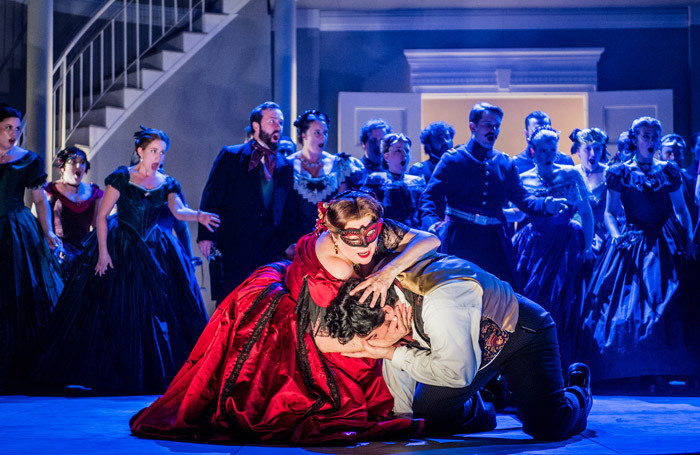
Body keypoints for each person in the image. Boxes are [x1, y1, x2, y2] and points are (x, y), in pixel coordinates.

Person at [130, 190, 440, 443]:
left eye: (371, 233)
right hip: (305, 324)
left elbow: (431, 239)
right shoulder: (337, 269)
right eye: (352, 238)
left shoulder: (362, 227)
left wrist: (387, 272)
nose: (365, 244)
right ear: (334, 235)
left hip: (288, 281)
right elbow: (323, 341)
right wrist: (384, 345)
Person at [326, 253, 592, 441]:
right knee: (427, 420)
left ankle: (579, 390)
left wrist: (391, 351)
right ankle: (491, 396)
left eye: (372, 337)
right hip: (469, 351)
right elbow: (403, 367)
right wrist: (403, 420)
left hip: (522, 334)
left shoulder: (442, 302)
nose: (372, 346)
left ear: (388, 311)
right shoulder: (381, 297)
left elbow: (457, 373)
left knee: (547, 427)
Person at [31, 126, 217, 394]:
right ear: (140, 152)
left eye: (162, 152)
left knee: (160, 307)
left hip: (155, 247)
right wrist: (104, 253)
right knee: (118, 306)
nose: (158, 157)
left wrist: (198, 215)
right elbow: (103, 216)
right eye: (153, 151)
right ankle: (116, 370)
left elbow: (178, 210)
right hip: (123, 246)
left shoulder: (167, 182)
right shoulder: (121, 177)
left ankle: (155, 371)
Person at [579, 116, 699, 385]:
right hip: (632, 239)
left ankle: (667, 368)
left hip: (666, 240)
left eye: (655, 136)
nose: (652, 141)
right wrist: (615, 236)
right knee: (628, 303)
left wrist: (688, 239)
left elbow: (681, 209)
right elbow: (610, 213)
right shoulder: (620, 172)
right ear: (635, 139)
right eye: (646, 136)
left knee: (670, 298)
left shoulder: (668, 171)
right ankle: (632, 370)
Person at [419, 102, 567, 290]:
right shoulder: (453, 159)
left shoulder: (505, 163)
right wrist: (432, 227)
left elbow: (522, 199)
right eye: (488, 124)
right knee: (458, 295)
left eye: (497, 125)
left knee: (502, 297)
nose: (493, 130)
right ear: (472, 127)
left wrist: (545, 205)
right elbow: (429, 198)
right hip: (459, 240)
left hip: (494, 242)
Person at [198, 102, 303, 303]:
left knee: (268, 303)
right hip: (236, 244)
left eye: (280, 122)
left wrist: (292, 243)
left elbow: (289, 208)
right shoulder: (231, 155)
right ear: (256, 126)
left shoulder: (285, 165)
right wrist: (206, 235)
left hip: (271, 247)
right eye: (272, 121)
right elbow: (212, 197)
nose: (278, 127)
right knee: (234, 302)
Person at [512, 126, 594, 368]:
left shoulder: (570, 174)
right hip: (534, 246)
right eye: (543, 150)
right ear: (532, 151)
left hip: (564, 245)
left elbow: (586, 213)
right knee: (531, 298)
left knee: (563, 300)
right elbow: (517, 213)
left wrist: (588, 247)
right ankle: (531, 363)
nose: (548, 155)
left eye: (552, 149)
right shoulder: (523, 178)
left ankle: (561, 363)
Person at [0, 103, 64, 392]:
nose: (14, 134)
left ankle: (17, 365)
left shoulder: (28, 160)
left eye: (16, 128)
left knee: (17, 292)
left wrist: (48, 231)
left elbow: (39, 201)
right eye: (7, 128)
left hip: (14, 229)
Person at [288, 110, 365, 232]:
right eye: (317, 133)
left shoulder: (339, 165)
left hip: (330, 235)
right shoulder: (288, 165)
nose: (323, 137)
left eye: (325, 132)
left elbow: (343, 205)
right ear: (304, 135)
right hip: (295, 237)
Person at [44, 146, 103, 272]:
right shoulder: (50, 191)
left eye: (82, 163)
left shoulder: (93, 192)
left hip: (85, 253)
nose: (79, 166)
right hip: (59, 254)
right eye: (73, 162)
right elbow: (38, 223)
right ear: (63, 167)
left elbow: (97, 224)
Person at [363, 133, 425, 227]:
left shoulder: (416, 183)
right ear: (386, 156)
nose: (404, 154)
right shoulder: (376, 181)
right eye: (398, 150)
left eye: (407, 151)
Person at [570, 128, 613, 250]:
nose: (593, 154)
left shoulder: (610, 174)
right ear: (578, 151)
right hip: (575, 233)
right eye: (587, 149)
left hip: (603, 236)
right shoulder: (571, 174)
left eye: (597, 149)